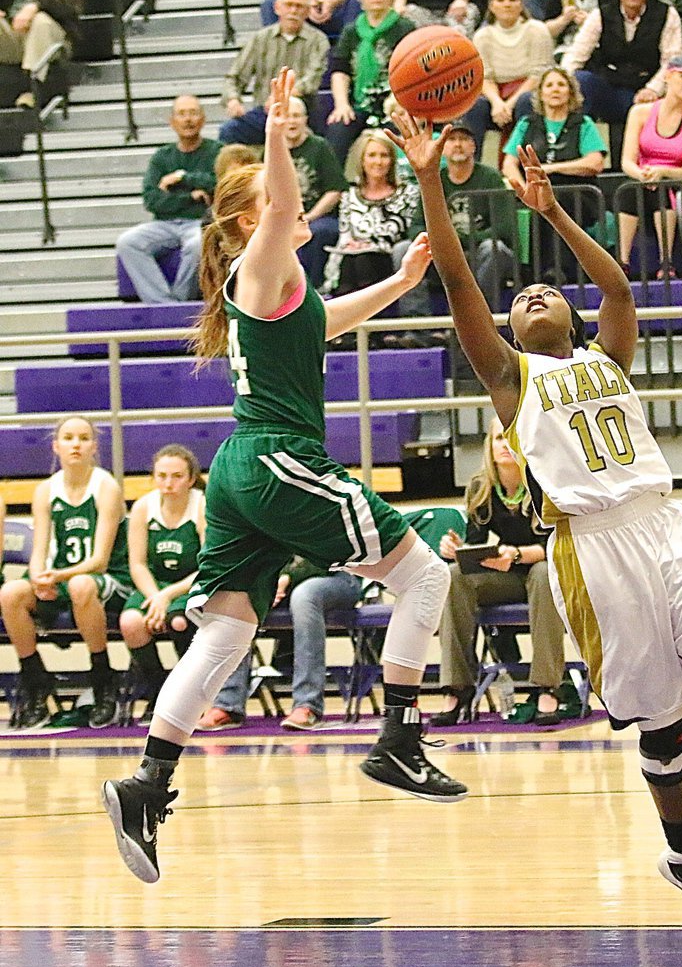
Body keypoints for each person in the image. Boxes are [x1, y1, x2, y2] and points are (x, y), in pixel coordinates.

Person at [395, 111, 682, 929]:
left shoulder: (607, 355)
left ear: (569, 318)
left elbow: (620, 289)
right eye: (519, 297)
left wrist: (556, 213)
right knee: (664, 718)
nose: (529, 293)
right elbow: (463, 286)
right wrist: (430, 179)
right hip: (592, 549)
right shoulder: (510, 376)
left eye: (545, 291)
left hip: (667, 529)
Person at [102, 68, 467, 889]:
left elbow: (327, 322)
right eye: (280, 199)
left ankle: (145, 782)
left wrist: (403, 284)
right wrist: (274, 129)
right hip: (274, 457)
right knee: (426, 573)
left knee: (226, 634)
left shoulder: (286, 292)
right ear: (246, 218)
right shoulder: (257, 264)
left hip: (243, 467)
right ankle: (400, 739)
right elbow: (274, 207)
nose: (298, 206)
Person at [0, 415, 132, 730]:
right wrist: (38, 578)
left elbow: (99, 560)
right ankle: (35, 678)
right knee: (11, 593)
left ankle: (102, 675)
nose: (76, 444)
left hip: (109, 579)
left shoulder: (106, 487)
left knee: (82, 585)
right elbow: (39, 551)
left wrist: (55, 578)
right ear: (56, 446)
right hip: (64, 579)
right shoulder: (46, 490)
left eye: (84, 438)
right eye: (69, 438)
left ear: (94, 447)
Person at [432, 417, 565, 727]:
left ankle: (547, 687)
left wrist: (516, 555)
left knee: (545, 574)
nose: (505, 445)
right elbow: (477, 547)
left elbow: (558, 546)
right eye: (498, 439)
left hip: (541, 568)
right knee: (454, 576)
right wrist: (458, 548)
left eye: (511, 438)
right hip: (506, 575)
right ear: (489, 447)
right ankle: (456, 688)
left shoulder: (544, 481)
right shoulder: (481, 487)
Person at [196, 556, 365, 731]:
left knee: (304, 595)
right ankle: (227, 705)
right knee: (239, 598)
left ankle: (307, 704)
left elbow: (326, 554)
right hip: (277, 578)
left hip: (334, 576)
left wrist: (286, 577)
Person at [562, 0, 682, 157]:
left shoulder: (666, 14)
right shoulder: (601, 14)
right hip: (610, 86)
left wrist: (652, 89)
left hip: (647, 90)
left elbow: (671, 61)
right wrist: (562, 81)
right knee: (582, 81)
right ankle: (574, 153)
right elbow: (577, 54)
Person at [118, 445, 206, 709]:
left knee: (178, 621)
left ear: (191, 479)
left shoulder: (202, 506)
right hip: (155, 585)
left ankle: (190, 694)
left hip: (190, 584)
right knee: (131, 623)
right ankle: (157, 690)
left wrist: (168, 596)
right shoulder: (144, 507)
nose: (169, 483)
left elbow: (209, 566)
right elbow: (137, 564)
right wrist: (155, 596)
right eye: (162, 476)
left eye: (177, 476)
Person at [502, 65, 606, 276]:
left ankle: (559, 268)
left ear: (570, 92)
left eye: (561, 84)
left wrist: (550, 169)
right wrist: (523, 190)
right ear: (540, 94)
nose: (555, 89)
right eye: (549, 85)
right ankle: (534, 273)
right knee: (539, 202)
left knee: (556, 200)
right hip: (536, 190)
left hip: (577, 192)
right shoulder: (527, 123)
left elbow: (594, 162)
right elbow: (508, 164)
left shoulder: (583, 123)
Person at [117, 95, 221, 304]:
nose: (188, 119)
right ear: (172, 122)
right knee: (128, 242)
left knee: (198, 245)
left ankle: (179, 303)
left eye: (193, 113)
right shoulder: (162, 157)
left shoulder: (217, 151)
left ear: (203, 119)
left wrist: (183, 177)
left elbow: (219, 184)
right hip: (165, 224)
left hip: (201, 223)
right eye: (181, 114)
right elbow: (152, 200)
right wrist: (191, 196)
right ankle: (164, 304)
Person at [617, 53, 682, 274]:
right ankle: (622, 262)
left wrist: (662, 172)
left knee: (660, 190)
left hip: (674, 181)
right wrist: (643, 174)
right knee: (629, 191)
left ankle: (666, 261)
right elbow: (627, 161)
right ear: (668, 77)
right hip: (644, 177)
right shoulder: (640, 112)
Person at [412, 119, 518, 309]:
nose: (458, 144)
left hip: (480, 252)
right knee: (403, 249)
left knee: (492, 248)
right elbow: (416, 227)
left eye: (463, 139)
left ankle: (478, 319)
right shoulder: (435, 179)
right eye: (451, 140)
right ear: (442, 148)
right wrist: (441, 243)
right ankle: (416, 327)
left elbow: (504, 228)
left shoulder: (490, 177)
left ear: (473, 146)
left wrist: (459, 240)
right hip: (443, 253)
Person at [321, 130, 419, 322]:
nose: (378, 161)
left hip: (390, 257)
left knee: (364, 260)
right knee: (350, 261)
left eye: (384, 155)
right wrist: (350, 246)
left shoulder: (408, 193)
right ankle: (349, 330)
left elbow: (406, 234)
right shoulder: (349, 197)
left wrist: (369, 244)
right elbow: (345, 235)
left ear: (392, 160)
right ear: (362, 160)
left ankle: (370, 328)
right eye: (372, 155)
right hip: (355, 259)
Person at [220, 0, 329, 147]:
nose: (293, 11)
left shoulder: (318, 41)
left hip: (300, 113)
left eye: (299, 6)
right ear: (277, 7)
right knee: (229, 131)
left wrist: (282, 97)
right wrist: (233, 99)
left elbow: (311, 81)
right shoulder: (260, 39)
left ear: (307, 11)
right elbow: (234, 77)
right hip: (265, 113)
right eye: (289, 5)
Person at [326, 0, 417, 165]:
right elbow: (340, 71)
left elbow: (414, 72)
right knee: (337, 128)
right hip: (360, 103)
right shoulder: (351, 31)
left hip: (396, 103)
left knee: (404, 131)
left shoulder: (404, 28)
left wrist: (399, 102)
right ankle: (335, 191)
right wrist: (342, 105)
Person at [466, 0, 555, 152]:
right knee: (475, 106)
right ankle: (472, 162)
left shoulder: (537, 30)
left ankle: (523, 162)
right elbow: (485, 77)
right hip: (496, 94)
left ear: (521, 5)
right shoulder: (482, 36)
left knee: (526, 101)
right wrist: (498, 103)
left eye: (513, 0)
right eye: (501, 0)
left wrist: (510, 104)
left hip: (527, 92)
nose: (507, 5)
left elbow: (538, 75)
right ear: (491, 6)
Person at [282, 94, 347, 288]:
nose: (292, 121)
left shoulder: (320, 147)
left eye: (296, 116)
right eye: (287, 116)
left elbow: (335, 191)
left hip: (318, 216)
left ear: (305, 119)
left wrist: (309, 216)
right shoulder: (272, 150)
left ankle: (314, 288)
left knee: (319, 232)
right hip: (283, 219)